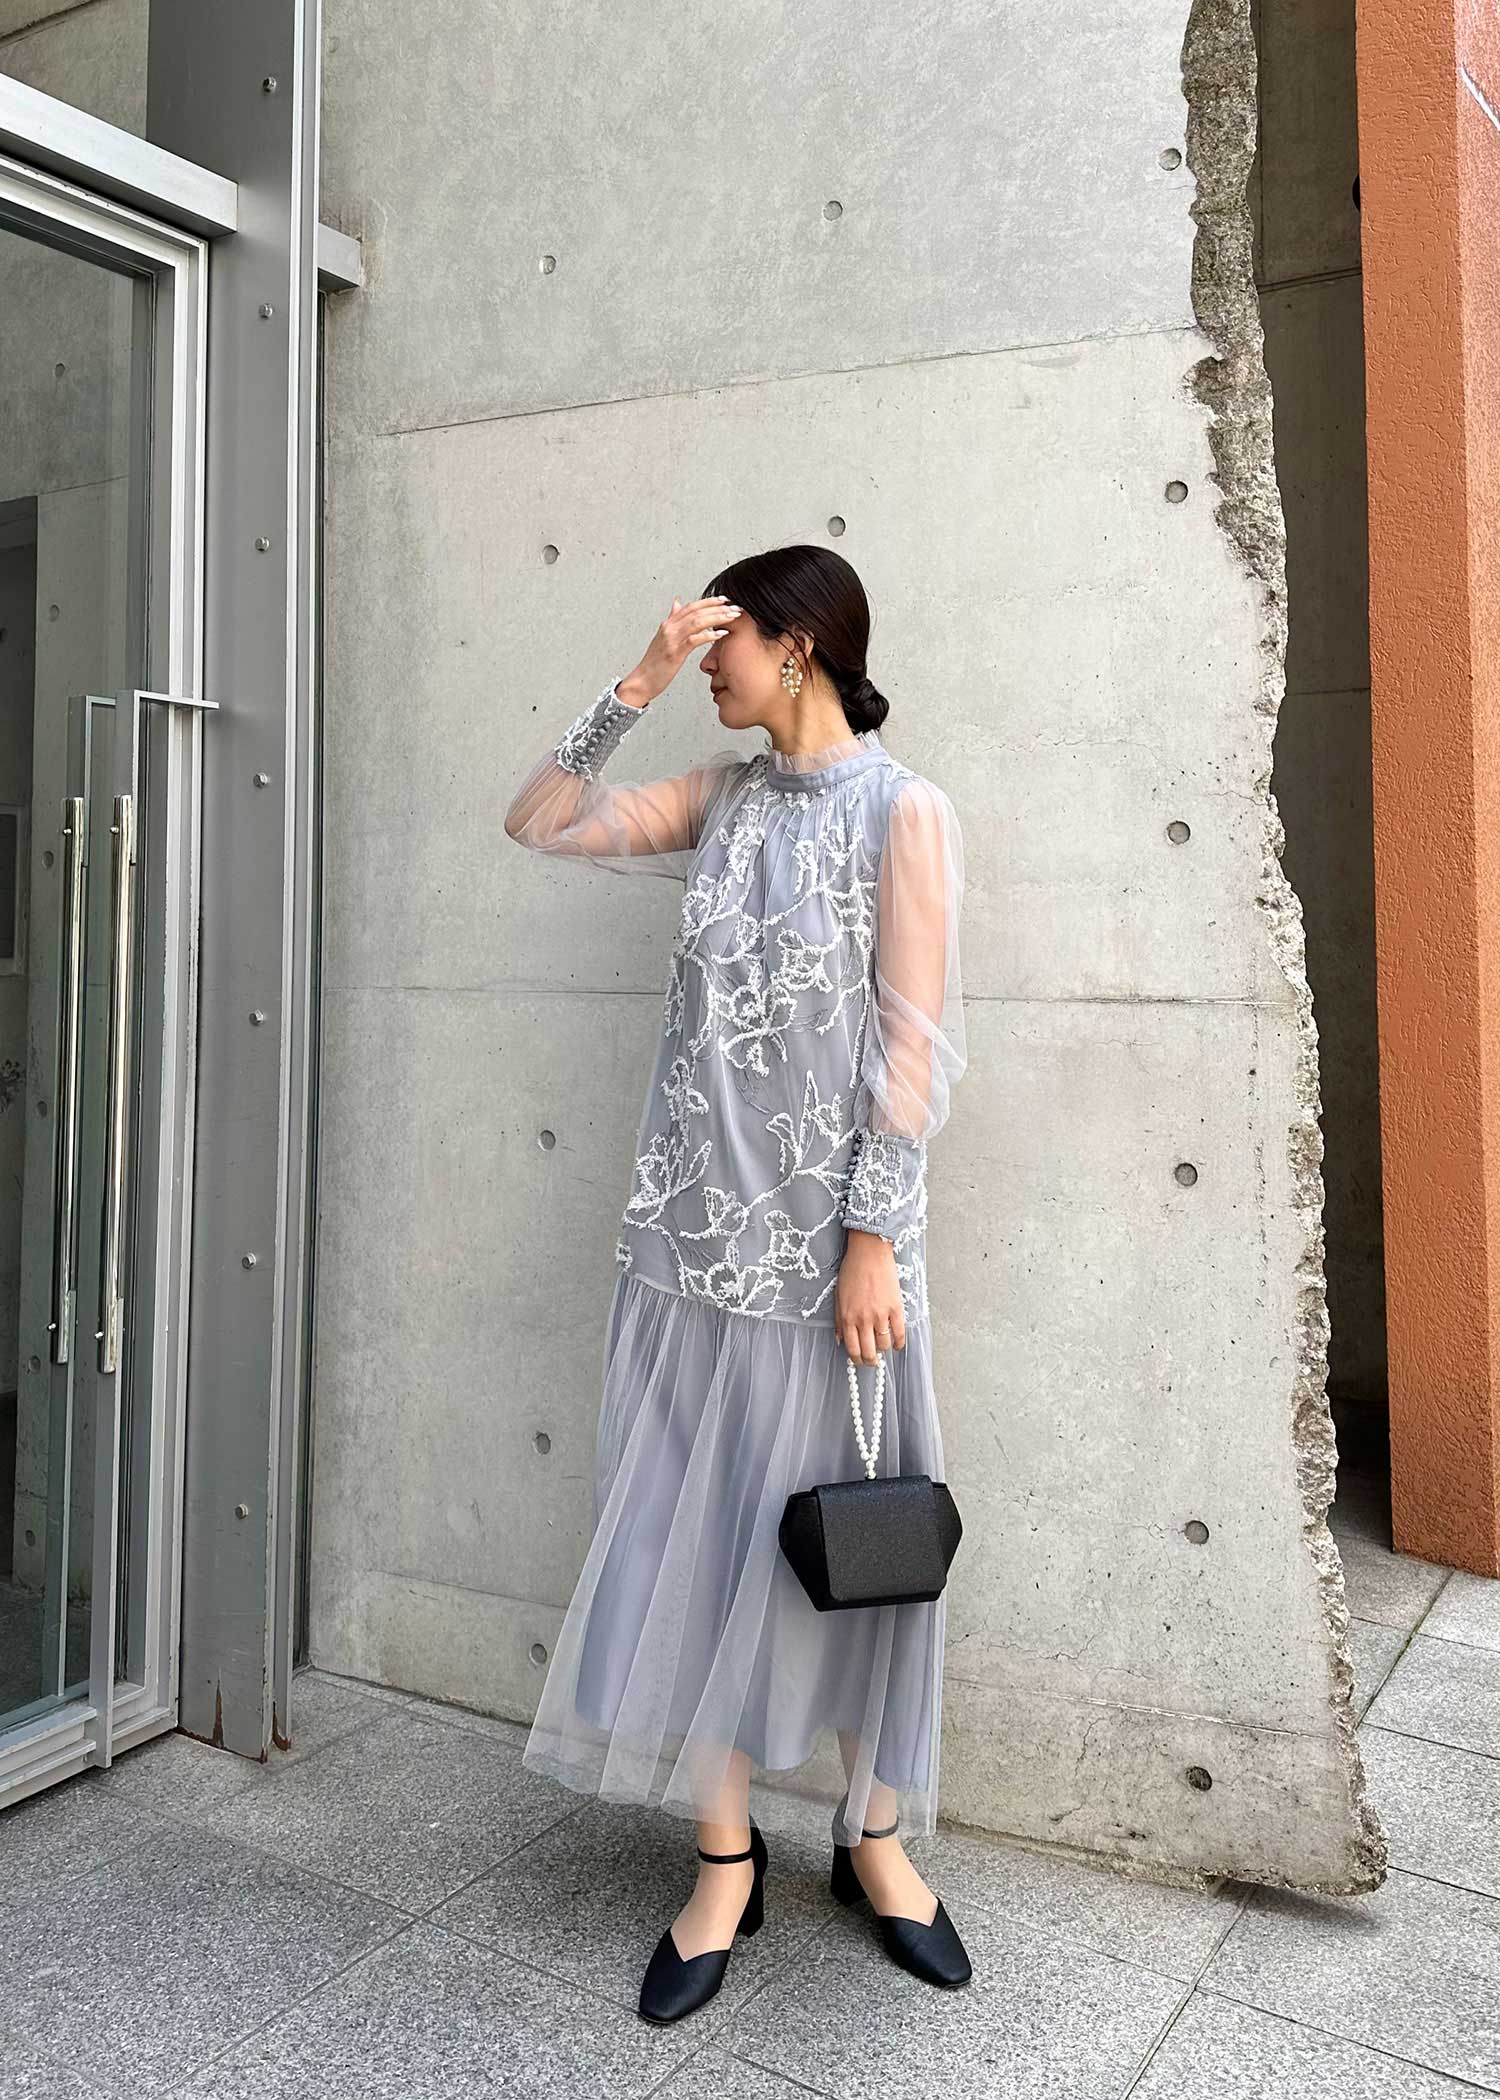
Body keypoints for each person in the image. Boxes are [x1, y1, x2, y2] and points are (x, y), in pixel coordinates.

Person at [504, 544, 971, 2022]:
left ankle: (875, 1840)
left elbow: (910, 1050)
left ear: (799, 647)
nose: (710, 664)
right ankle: (723, 1860)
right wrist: (636, 683)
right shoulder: (721, 800)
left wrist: (873, 1243)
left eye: (724, 642)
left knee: (862, 1558)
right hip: (686, 1253)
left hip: (832, 1270)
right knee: (690, 1553)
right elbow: (540, 820)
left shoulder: (904, 811)